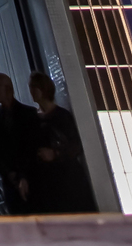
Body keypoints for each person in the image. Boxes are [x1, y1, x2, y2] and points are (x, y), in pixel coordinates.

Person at [27, 71, 96, 213]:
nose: (31, 91)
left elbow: (76, 145)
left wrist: (55, 154)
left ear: (42, 89)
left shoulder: (62, 116)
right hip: (48, 182)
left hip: (68, 179)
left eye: (34, 87)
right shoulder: (33, 120)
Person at [0, 73, 38, 214]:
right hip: (10, 184)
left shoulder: (29, 114)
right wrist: (8, 173)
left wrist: (23, 174)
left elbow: (32, 146)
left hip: (33, 181)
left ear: (7, 88)